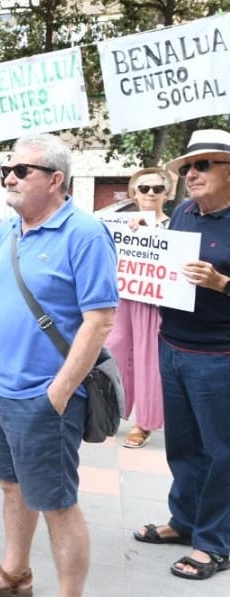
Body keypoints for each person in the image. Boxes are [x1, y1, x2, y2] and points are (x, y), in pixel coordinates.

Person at [0, 134, 117, 597]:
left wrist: (59, 392)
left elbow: (99, 322)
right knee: (10, 487)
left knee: (57, 504)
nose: (9, 176)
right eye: (9, 168)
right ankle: (15, 572)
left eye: (23, 170)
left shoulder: (85, 233)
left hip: (42, 397)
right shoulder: (9, 230)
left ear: (55, 180)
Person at [133, 129, 230, 582]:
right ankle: (184, 521)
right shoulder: (184, 212)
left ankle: (214, 542)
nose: (191, 174)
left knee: (221, 452)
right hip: (172, 344)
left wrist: (222, 284)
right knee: (183, 446)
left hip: (219, 356)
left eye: (203, 165)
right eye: (188, 167)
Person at [106, 166, 171, 449]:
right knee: (114, 348)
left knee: (148, 356)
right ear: (134, 193)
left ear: (166, 194)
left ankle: (143, 422)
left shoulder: (174, 223)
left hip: (155, 299)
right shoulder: (120, 222)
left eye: (157, 188)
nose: (150, 193)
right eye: (145, 188)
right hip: (122, 295)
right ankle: (111, 409)